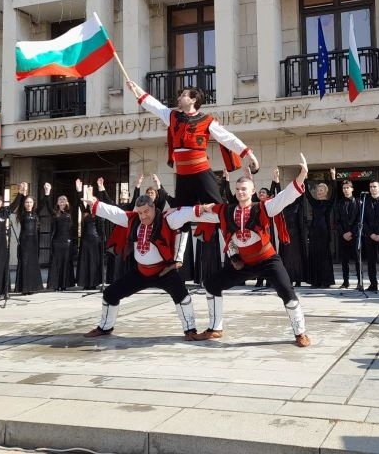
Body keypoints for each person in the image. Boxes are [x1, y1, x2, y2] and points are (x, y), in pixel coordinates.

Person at [181, 153, 312, 347]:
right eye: (238, 189)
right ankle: (215, 328)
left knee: (287, 291)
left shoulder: (264, 207)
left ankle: (300, 333)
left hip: (267, 260)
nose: (241, 192)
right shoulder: (226, 211)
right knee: (211, 284)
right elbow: (204, 211)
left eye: (244, 189)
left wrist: (302, 174)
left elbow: (285, 197)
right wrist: (177, 213)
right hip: (242, 263)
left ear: (252, 191)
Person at [80, 193, 198, 339]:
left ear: (154, 207)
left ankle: (190, 330)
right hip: (141, 272)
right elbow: (115, 213)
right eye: (140, 212)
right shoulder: (133, 219)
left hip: (164, 271)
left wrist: (203, 208)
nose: (143, 216)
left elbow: (187, 214)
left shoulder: (167, 219)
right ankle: (105, 327)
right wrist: (96, 204)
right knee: (110, 294)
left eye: (146, 212)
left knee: (182, 296)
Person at [125, 80, 259, 206]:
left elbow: (228, 138)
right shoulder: (172, 116)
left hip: (201, 172)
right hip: (183, 175)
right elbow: (155, 106)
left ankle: (235, 228)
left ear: (193, 100)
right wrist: (136, 90)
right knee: (180, 213)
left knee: (218, 209)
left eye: (183, 95)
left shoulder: (207, 120)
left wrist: (248, 154)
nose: (179, 98)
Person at [274, 168, 307, 287]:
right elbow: (278, 195)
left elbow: (303, 192)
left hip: (296, 234)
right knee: (287, 257)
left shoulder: (298, 203)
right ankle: (289, 278)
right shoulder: (283, 205)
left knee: (297, 257)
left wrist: (303, 177)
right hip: (285, 233)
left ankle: (298, 278)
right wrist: (276, 180)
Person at [304, 170, 336, 288]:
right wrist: (306, 178)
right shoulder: (314, 203)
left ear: (326, 192)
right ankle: (315, 281)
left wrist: (333, 178)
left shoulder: (329, 203)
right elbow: (307, 193)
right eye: (318, 191)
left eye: (321, 190)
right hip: (314, 233)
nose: (319, 192)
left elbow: (335, 194)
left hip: (324, 233)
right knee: (314, 257)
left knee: (324, 258)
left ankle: (325, 281)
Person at [11, 183, 44, 295]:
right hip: (24, 241)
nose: (28, 204)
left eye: (30, 202)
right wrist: (23, 192)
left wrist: (47, 192)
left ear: (33, 204)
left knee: (32, 264)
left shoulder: (36, 213)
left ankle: (32, 287)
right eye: (27, 202)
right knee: (24, 263)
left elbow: (44, 204)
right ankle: (24, 287)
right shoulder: (22, 213)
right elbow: (19, 204)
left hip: (34, 242)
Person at [42, 183, 74, 291]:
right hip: (56, 241)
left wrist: (80, 191)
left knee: (65, 263)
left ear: (67, 202)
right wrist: (47, 192)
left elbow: (80, 204)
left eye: (64, 200)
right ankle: (55, 285)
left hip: (67, 242)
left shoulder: (70, 213)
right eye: (60, 199)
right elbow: (47, 204)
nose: (62, 201)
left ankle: (64, 284)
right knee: (56, 263)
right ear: (57, 202)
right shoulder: (55, 213)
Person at [75, 178, 104, 290]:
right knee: (85, 262)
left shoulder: (99, 213)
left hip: (96, 240)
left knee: (93, 261)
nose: (91, 202)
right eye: (90, 201)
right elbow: (79, 202)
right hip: (85, 241)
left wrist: (100, 188)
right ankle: (86, 283)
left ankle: (93, 283)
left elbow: (101, 200)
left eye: (93, 200)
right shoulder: (86, 212)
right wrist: (78, 190)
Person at [362, 179, 379, 292]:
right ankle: (373, 283)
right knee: (371, 261)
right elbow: (363, 221)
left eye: (374, 186)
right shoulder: (364, 203)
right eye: (371, 187)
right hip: (370, 237)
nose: (372, 188)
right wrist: (371, 234)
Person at [333, 180, 361, 289]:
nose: (345, 190)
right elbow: (337, 220)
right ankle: (345, 281)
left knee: (357, 259)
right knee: (344, 260)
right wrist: (343, 233)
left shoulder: (358, 202)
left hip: (354, 236)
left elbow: (359, 220)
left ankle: (360, 281)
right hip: (343, 235)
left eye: (347, 188)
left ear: (352, 189)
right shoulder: (339, 203)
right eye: (344, 188)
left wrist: (351, 232)